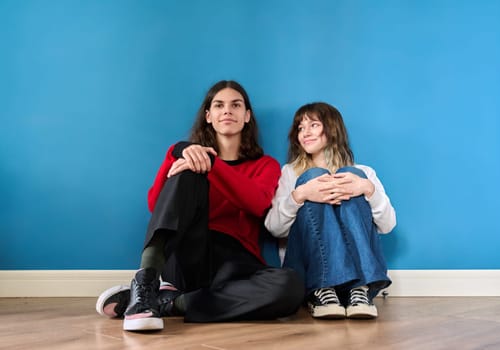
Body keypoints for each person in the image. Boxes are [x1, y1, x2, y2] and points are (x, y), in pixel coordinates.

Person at [96, 80, 304, 331]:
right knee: (188, 173)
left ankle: (170, 304)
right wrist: (176, 151)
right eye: (219, 105)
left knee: (290, 287)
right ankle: (146, 283)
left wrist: (211, 163)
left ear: (247, 116)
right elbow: (156, 205)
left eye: (236, 105)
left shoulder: (265, 165)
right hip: (187, 259)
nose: (227, 111)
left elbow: (258, 204)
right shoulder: (188, 158)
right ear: (208, 116)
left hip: (237, 266)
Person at [264, 102, 396, 320]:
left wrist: (367, 189)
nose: (305, 132)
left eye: (313, 125)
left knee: (351, 173)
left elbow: (388, 225)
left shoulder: (363, 172)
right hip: (310, 276)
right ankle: (324, 288)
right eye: (300, 128)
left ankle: (358, 289)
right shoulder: (290, 172)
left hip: (357, 285)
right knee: (312, 175)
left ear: (332, 129)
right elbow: (274, 228)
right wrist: (301, 194)